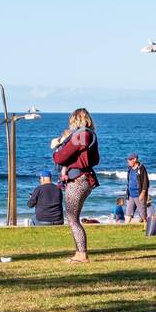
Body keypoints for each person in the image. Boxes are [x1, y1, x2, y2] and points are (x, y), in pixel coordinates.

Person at [51, 108, 100, 263]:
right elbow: (96, 160)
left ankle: (82, 254)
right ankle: (80, 252)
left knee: (72, 219)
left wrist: (57, 148)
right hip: (86, 178)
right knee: (74, 218)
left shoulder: (80, 135)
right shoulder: (91, 135)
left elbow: (61, 157)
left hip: (77, 179)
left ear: (75, 120)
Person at [123, 153, 152, 223]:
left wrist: (143, 192)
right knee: (128, 213)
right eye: (128, 160)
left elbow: (146, 182)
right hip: (130, 195)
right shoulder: (129, 168)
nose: (128, 161)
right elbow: (129, 180)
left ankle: (147, 227)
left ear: (135, 159)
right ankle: (126, 227)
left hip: (139, 195)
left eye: (130, 160)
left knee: (143, 213)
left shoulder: (141, 168)